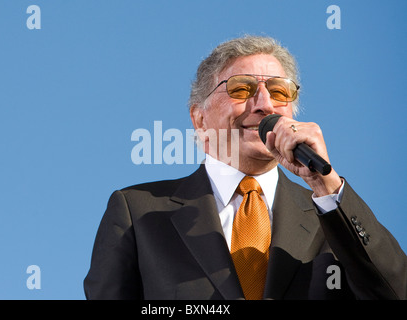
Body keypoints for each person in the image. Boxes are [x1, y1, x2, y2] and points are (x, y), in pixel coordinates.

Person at [84, 35, 407, 300]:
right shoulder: (137, 211)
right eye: (241, 89)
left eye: (279, 91)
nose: (264, 104)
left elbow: (395, 291)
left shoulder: (332, 217)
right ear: (199, 118)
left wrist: (326, 187)